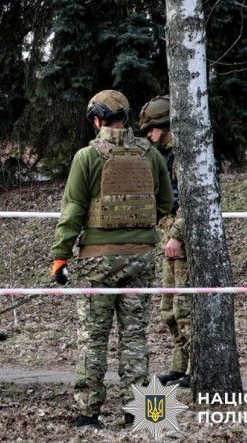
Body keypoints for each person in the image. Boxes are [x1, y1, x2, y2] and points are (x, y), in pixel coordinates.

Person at [50, 90, 173, 429]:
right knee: (135, 337)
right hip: (141, 260)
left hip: (97, 262)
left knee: (93, 338)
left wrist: (61, 256)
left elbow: (72, 210)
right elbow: (165, 204)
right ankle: (138, 414)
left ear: (98, 119)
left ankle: (88, 415)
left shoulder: (87, 156)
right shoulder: (151, 155)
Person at [139, 95, 192, 388]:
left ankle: (194, 368)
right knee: (168, 310)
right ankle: (178, 366)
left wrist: (176, 235)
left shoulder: (184, 155)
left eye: (151, 129)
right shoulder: (164, 156)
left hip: (181, 239)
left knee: (184, 309)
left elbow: (191, 200)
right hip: (167, 234)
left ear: (165, 124)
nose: (148, 134)